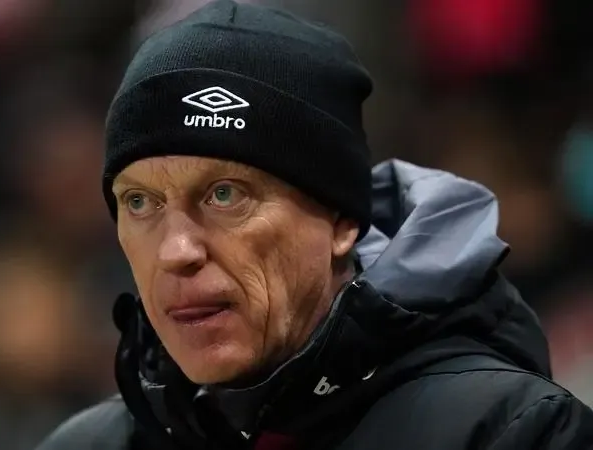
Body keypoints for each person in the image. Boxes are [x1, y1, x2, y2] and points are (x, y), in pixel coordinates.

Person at [35, 1, 593, 449]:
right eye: (139, 202)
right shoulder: (84, 445)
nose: (176, 250)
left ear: (343, 219)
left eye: (225, 194)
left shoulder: (510, 432)